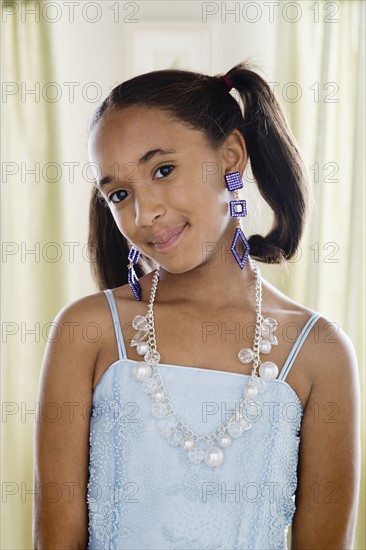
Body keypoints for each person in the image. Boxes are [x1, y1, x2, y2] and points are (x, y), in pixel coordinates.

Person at [33, 62, 361, 549]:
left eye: (163, 170)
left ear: (230, 158)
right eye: (120, 194)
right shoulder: (89, 331)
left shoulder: (318, 351)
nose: (145, 214)